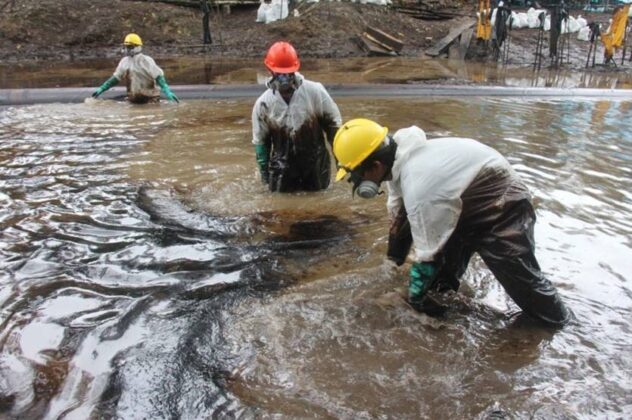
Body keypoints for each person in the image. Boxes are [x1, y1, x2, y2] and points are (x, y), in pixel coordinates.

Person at [333, 118, 571, 326]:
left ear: (376, 166)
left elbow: (428, 255)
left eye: (355, 175)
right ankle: (436, 310)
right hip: (463, 201)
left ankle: (559, 323)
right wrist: (391, 265)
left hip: (502, 203)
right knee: (439, 282)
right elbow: (399, 216)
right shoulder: (398, 163)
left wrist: (409, 297)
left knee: (522, 281)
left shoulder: (419, 186)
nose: (354, 182)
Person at [251, 41, 342, 192]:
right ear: (270, 70)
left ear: (295, 69)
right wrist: (264, 176)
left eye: (288, 73)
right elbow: (261, 144)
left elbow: (334, 127)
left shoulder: (315, 92)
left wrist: (341, 160)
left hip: (316, 166)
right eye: (280, 73)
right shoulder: (263, 104)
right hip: (281, 169)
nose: (284, 78)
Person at [92, 33, 179, 104]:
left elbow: (159, 77)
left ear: (138, 47)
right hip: (133, 99)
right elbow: (116, 78)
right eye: (126, 47)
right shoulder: (124, 62)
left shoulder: (146, 61)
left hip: (151, 99)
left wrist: (167, 92)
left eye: (130, 47)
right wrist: (102, 88)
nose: (127, 49)